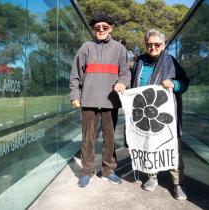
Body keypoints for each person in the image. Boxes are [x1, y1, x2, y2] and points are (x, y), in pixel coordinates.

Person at [69, 13, 130, 188]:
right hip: (88, 101)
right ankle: (87, 171)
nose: (101, 30)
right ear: (93, 29)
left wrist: (122, 82)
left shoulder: (120, 49)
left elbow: (125, 72)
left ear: (111, 28)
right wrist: (75, 96)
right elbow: (75, 74)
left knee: (110, 138)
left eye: (105, 27)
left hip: (111, 102)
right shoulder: (86, 47)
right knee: (88, 138)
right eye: (97, 28)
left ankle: (108, 171)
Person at [130, 29, 189, 200]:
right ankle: (152, 176)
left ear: (163, 45)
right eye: (149, 44)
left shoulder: (170, 61)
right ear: (145, 45)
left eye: (157, 44)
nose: (153, 47)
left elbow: (184, 82)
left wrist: (174, 84)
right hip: (144, 113)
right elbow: (131, 83)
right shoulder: (139, 61)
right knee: (147, 144)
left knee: (172, 148)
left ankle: (178, 183)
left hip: (165, 114)